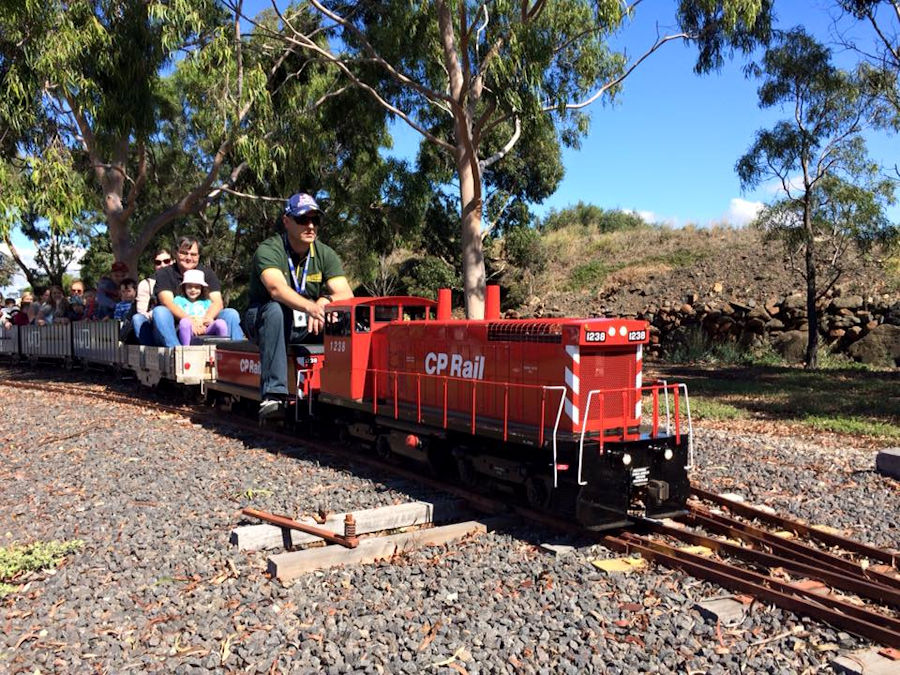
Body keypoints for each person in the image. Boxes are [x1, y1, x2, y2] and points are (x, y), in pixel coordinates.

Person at [245, 192, 353, 419]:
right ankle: (273, 395)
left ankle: (343, 390)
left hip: (305, 321)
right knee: (276, 309)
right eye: (303, 219)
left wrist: (325, 302)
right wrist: (311, 307)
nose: (311, 226)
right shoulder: (270, 249)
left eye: (316, 220)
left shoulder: (324, 253)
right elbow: (277, 290)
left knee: (341, 316)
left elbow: (345, 292)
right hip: (264, 318)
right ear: (287, 221)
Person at [150, 236, 244, 347]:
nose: (189, 258)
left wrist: (206, 319)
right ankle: (179, 353)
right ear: (176, 253)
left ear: (198, 256)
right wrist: (189, 321)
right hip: (175, 328)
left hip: (204, 325)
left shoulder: (207, 274)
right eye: (184, 253)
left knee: (231, 313)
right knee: (160, 312)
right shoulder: (165, 273)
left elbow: (217, 302)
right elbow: (167, 302)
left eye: (193, 254)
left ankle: (233, 354)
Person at [173, 269, 229, 345]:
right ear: (184, 287)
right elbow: (177, 313)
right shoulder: (179, 300)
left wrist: (208, 321)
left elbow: (209, 317)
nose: (193, 290)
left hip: (205, 328)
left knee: (221, 323)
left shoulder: (206, 302)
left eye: (197, 287)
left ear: (201, 288)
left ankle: (221, 347)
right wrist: (193, 324)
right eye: (189, 286)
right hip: (190, 330)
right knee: (184, 322)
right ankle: (185, 350)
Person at [132, 249, 172, 345]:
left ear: (173, 261)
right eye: (158, 262)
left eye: (166, 261)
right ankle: (150, 353)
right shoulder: (146, 284)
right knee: (138, 318)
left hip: (177, 324)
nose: (162, 265)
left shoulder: (181, 279)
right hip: (154, 326)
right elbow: (142, 312)